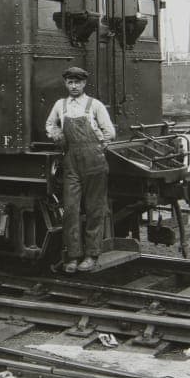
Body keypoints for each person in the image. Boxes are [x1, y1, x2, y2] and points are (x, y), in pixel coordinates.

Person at [45, 66, 116, 273]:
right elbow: (50, 125)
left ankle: (91, 255)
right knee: (71, 210)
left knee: (95, 210)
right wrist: (56, 133)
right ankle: (73, 256)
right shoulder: (61, 105)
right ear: (65, 84)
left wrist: (99, 145)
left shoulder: (95, 105)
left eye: (77, 82)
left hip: (94, 162)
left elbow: (109, 132)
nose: (73, 86)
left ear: (84, 84)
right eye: (70, 82)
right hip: (71, 163)